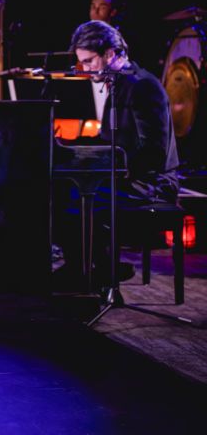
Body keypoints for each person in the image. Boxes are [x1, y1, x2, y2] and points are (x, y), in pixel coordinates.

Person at [55, 20, 179, 288]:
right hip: (128, 175)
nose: (85, 69)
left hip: (152, 182)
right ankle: (90, 268)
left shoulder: (143, 86)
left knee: (81, 196)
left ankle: (96, 271)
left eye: (89, 61)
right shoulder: (119, 83)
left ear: (110, 53)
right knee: (63, 190)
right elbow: (108, 140)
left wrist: (108, 173)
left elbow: (153, 153)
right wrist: (69, 145)